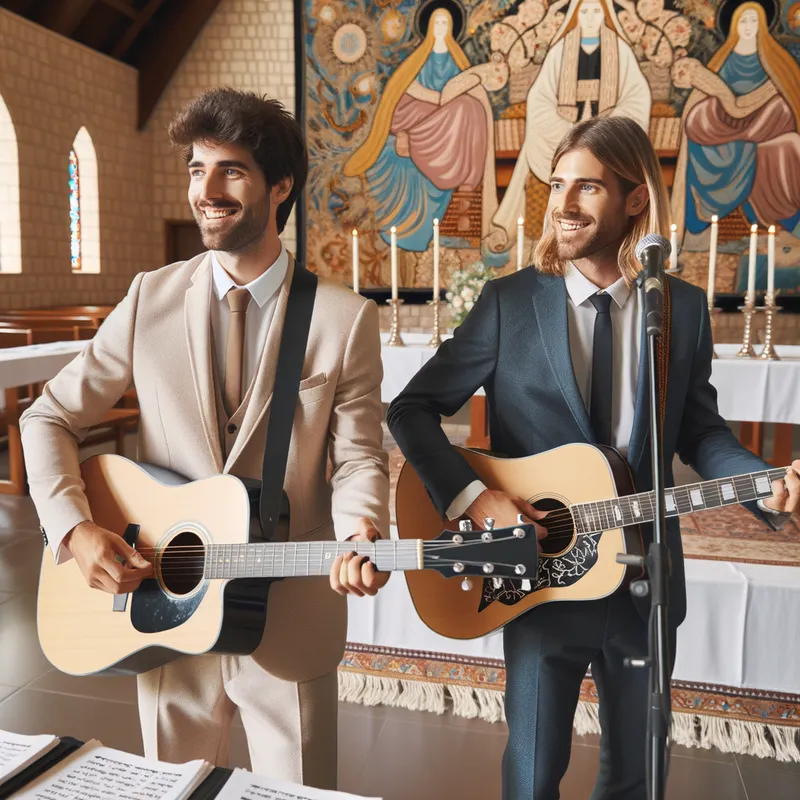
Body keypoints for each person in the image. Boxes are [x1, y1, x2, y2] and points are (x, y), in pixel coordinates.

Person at [387, 115, 800, 799]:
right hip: (541, 576)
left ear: (636, 199)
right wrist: (475, 497)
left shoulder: (681, 309)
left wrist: (760, 483)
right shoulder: (509, 304)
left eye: (588, 188)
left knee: (637, 775)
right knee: (532, 775)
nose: (564, 204)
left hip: (646, 582)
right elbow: (411, 409)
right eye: (557, 185)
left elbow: (701, 433)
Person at [21, 88, 389, 789]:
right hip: (165, 602)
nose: (207, 190)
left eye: (232, 170)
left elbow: (358, 457)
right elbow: (49, 417)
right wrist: (74, 529)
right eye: (197, 169)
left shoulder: (343, 320)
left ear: (280, 187)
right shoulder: (148, 298)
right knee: (175, 791)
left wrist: (361, 530)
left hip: (288, 611)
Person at [490, 0, 651, 251]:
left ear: (605, 15)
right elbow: (539, 97)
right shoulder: (560, 50)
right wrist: (571, 129)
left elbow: (637, 96)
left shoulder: (621, 50)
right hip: (563, 130)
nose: (590, 17)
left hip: (609, 136)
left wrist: (603, 129)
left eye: (596, 11)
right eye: (584, 11)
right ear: (576, 15)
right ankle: (553, 245)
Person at [343, 5, 497, 251]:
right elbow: (407, 86)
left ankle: (452, 179)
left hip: (445, 123)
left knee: (471, 107)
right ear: (428, 27)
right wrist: (437, 99)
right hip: (419, 114)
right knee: (461, 108)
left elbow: (466, 88)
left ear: (451, 28)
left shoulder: (456, 59)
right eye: (437, 23)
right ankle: (419, 146)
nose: (440, 28)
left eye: (445, 23)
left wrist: (451, 101)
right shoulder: (419, 57)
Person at [671, 2, 800, 241]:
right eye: (743, 21)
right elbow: (709, 97)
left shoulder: (776, 59)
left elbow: (790, 96)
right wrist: (726, 103)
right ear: (734, 26)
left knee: (780, 107)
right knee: (699, 114)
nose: (749, 26)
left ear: (763, 25)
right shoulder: (722, 59)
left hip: (765, 123)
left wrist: (756, 105)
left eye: (754, 20)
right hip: (726, 125)